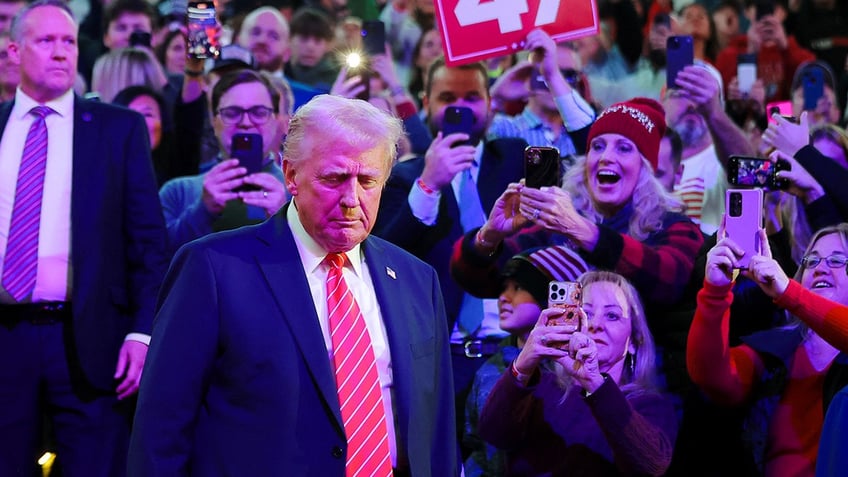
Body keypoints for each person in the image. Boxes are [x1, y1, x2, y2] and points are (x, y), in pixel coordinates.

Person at [127, 94, 458, 476]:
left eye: (367, 180)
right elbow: (161, 430)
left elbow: (437, 434)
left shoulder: (417, 280)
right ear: (290, 175)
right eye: (334, 178)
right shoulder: (214, 268)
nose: (352, 198)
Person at [0, 1, 168, 475]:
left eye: (69, 41)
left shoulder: (119, 129)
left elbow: (148, 243)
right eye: (45, 40)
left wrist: (141, 331)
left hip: (92, 338)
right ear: (14, 50)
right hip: (4, 338)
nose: (60, 52)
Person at [372, 56, 528, 455]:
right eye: (447, 97)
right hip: (439, 359)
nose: (460, 107)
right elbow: (383, 263)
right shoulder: (401, 178)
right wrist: (428, 185)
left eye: (472, 97)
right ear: (425, 104)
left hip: (514, 352)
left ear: (491, 103)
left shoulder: (513, 158)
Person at [478, 270, 677, 475]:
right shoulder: (542, 387)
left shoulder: (650, 406)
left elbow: (651, 467)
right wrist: (522, 365)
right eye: (585, 313)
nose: (596, 325)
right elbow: (493, 434)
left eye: (612, 315)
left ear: (634, 341)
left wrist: (594, 383)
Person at [688, 223, 848, 476]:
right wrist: (715, 291)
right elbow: (712, 378)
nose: (820, 268)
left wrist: (788, 293)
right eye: (811, 261)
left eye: (838, 260)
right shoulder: (777, 349)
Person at [463, 245, 589, 477]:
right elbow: (478, 445)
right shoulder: (493, 367)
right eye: (504, 288)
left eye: (519, 287)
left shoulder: (579, 369)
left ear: (554, 298)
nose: (503, 297)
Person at [158, 69, 289, 255]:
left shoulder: (300, 193)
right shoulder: (178, 192)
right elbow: (157, 262)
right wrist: (202, 211)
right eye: (232, 113)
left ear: (275, 119)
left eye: (259, 112)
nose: (246, 122)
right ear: (213, 120)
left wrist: (286, 221)